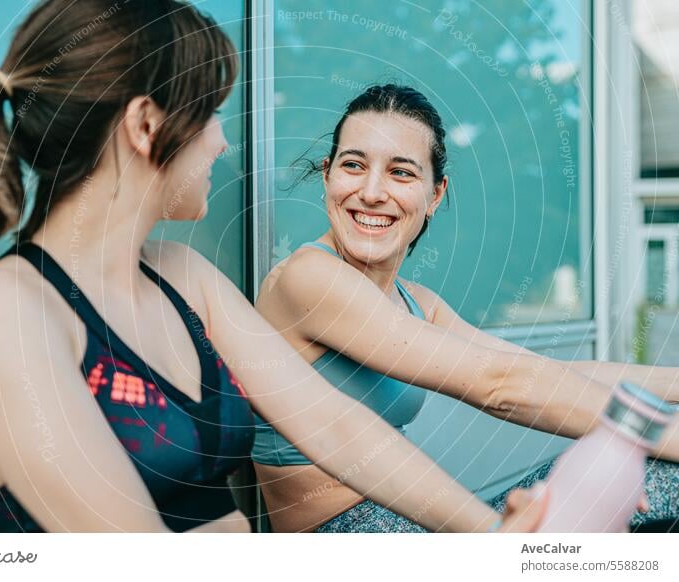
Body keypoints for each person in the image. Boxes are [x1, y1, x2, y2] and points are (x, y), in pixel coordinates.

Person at [0, 1, 544, 533]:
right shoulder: (5, 313)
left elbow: (335, 427)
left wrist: (491, 534)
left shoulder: (181, 277)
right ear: (146, 125)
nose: (222, 140)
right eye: (210, 113)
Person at [251, 84, 679, 533]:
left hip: (427, 525)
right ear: (327, 175)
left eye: (401, 173)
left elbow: (537, 371)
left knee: (650, 480)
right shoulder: (307, 277)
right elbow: (500, 386)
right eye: (354, 165)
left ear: (435, 195)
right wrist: (660, 432)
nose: (372, 192)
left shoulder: (416, 303)